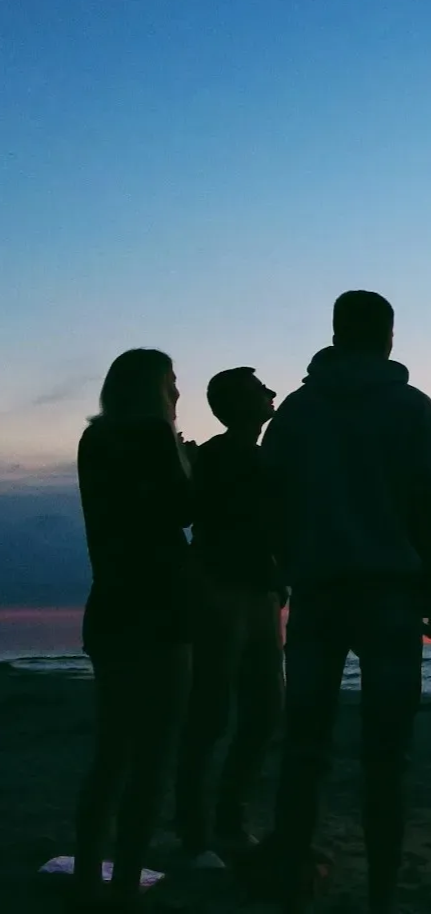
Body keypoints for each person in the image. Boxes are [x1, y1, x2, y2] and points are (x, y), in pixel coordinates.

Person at [253, 291, 431, 914]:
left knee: (304, 747)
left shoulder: (298, 412)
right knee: (387, 756)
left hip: (317, 591)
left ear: (337, 334)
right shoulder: (413, 409)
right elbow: (424, 508)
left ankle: (290, 881)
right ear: (388, 337)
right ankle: (381, 896)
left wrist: (288, 564)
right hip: (390, 593)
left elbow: (272, 501)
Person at [72, 349, 199, 908]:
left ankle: (86, 875)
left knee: (111, 752)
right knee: (152, 756)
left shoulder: (94, 440)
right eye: (172, 381)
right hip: (161, 607)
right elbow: (182, 509)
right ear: (154, 388)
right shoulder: (153, 437)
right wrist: (188, 461)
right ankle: (125, 880)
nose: (178, 392)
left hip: (110, 606)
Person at [173, 367, 284, 866]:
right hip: (222, 592)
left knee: (261, 711)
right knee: (214, 712)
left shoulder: (255, 457)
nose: (272, 393)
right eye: (261, 389)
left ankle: (223, 819)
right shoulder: (218, 457)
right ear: (239, 403)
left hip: (259, 593)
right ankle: (199, 826)